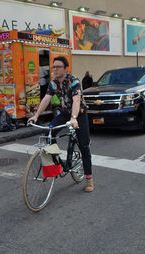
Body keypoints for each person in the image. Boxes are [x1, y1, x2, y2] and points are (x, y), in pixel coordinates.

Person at [28, 56, 94, 192]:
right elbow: (46, 99)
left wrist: (74, 118)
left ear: (66, 69)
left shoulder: (73, 81)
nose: (55, 69)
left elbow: (76, 101)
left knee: (84, 146)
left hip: (79, 114)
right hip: (65, 112)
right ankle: (58, 164)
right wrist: (36, 116)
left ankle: (89, 178)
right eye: (53, 67)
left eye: (58, 67)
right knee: (49, 133)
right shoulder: (53, 83)